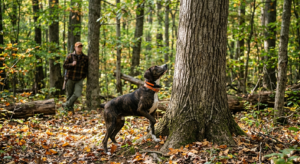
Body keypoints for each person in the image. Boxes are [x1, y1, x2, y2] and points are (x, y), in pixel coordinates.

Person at [62, 42, 88, 113]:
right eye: (78, 47)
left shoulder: (85, 57)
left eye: (80, 47)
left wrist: (83, 77)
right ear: (75, 48)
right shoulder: (70, 56)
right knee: (69, 95)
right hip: (70, 78)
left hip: (79, 79)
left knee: (77, 93)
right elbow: (64, 65)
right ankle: (69, 111)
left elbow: (86, 68)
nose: (79, 48)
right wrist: (71, 64)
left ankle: (66, 105)